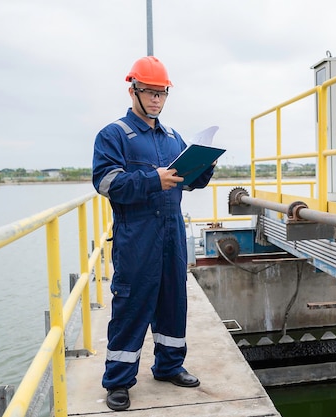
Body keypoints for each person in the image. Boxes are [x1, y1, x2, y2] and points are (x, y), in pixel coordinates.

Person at [92, 56, 216, 411]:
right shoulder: (114, 134)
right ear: (133, 90)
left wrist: (205, 164)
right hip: (137, 238)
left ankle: (170, 365)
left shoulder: (173, 136)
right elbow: (105, 182)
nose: (156, 99)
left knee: (173, 302)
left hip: (172, 234)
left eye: (161, 93)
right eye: (149, 91)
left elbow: (189, 182)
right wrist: (152, 179)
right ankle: (118, 381)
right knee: (131, 306)